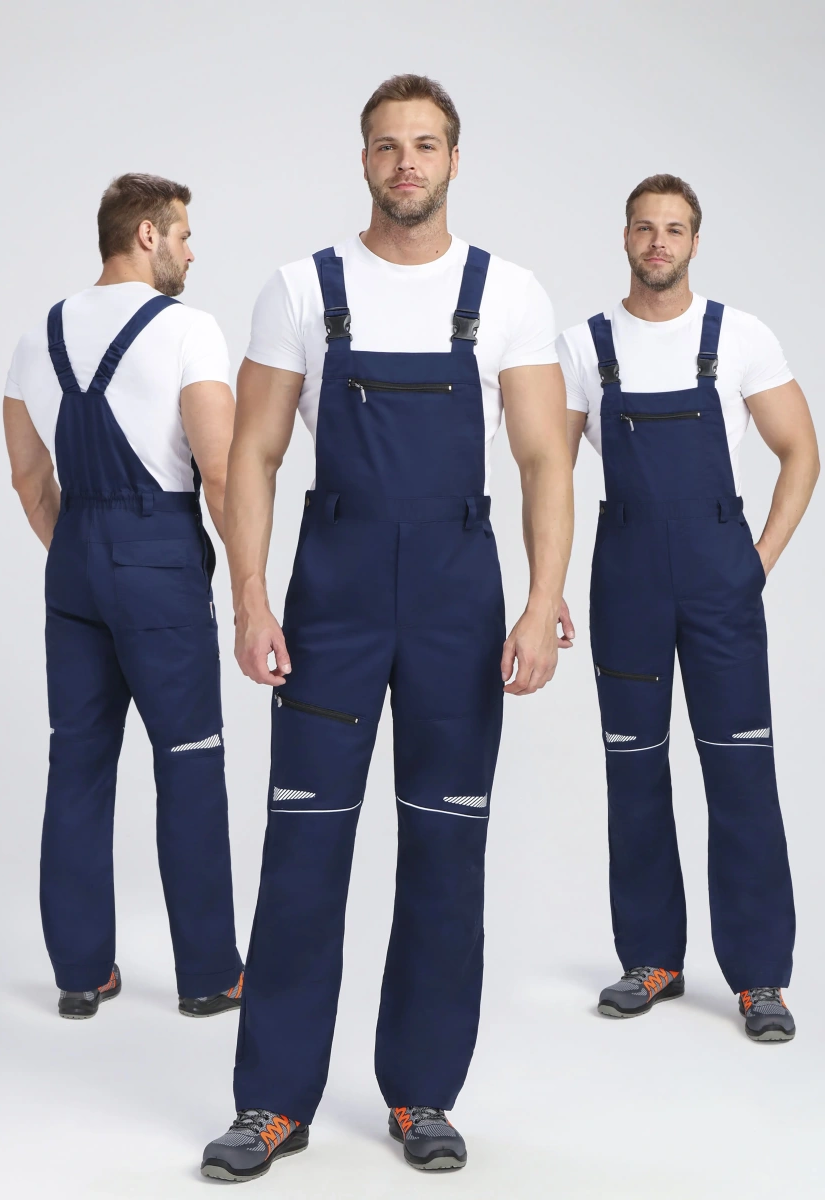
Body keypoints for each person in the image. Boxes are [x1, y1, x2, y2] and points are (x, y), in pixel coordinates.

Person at [201, 74, 573, 1182]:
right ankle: (273, 1103)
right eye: (386, 145)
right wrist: (251, 594)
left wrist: (542, 601)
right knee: (304, 844)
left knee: (447, 849)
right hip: (335, 593)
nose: (405, 162)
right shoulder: (299, 289)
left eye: (425, 144)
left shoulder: (508, 293)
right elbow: (254, 452)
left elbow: (544, 458)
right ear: (362, 160)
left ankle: (422, 1095)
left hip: (459, 594)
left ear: (455, 159)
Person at [559, 174, 819, 1042]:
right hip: (625, 578)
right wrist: (545, 585)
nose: (658, 242)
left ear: (695, 242)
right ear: (624, 238)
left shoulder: (739, 336)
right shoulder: (583, 346)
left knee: (740, 770)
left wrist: (757, 563)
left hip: (719, 580)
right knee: (633, 768)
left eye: (674, 229)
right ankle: (652, 959)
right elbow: (547, 470)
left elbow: (801, 452)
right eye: (644, 228)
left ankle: (760, 977)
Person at [3, 173, 243, 1020]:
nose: (191, 252)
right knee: (189, 762)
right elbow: (222, 474)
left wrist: (87, 558)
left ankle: (80, 973)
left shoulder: (36, 336)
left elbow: (29, 481)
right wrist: (250, 592)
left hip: (72, 559)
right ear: (147, 234)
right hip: (158, 559)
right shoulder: (187, 330)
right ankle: (209, 975)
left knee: (76, 761)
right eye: (183, 234)